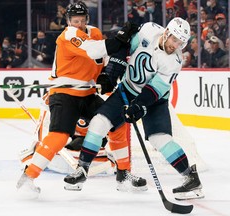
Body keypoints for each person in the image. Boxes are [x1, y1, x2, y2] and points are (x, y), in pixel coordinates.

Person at [64, 17, 204, 201]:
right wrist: (111, 73)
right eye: (174, 40)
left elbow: (155, 89)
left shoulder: (174, 61)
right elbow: (125, 48)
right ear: (167, 33)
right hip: (127, 89)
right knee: (99, 122)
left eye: (180, 43)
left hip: (154, 100)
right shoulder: (148, 31)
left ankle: (191, 178)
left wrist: (138, 106)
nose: (175, 45)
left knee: (159, 139)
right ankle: (82, 169)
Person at [16, 1, 144, 195]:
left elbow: (101, 59)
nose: (79, 23)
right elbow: (96, 50)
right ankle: (29, 177)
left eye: (82, 20)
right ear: (68, 21)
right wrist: (121, 37)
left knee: (117, 124)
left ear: (87, 19)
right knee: (60, 136)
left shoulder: (94, 33)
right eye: (75, 20)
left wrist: (104, 76)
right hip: (64, 93)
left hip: (87, 93)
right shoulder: (68, 34)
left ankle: (124, 174)